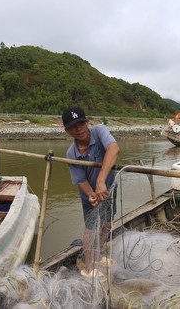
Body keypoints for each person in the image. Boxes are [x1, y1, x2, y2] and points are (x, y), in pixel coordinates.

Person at [62, 106, 120, 277]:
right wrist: (91, 195)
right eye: (73, 126)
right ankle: (89, 267)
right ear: (67, 131)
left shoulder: (100, 131)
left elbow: (114, 149)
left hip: (109, 187)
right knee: (90, 228)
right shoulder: (71, 154)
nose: (79, 129)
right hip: (90, 194)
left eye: (81, 123)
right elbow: (81, 180)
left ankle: (98, 254)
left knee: (107, 224)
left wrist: (101, 181)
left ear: (87, 122)